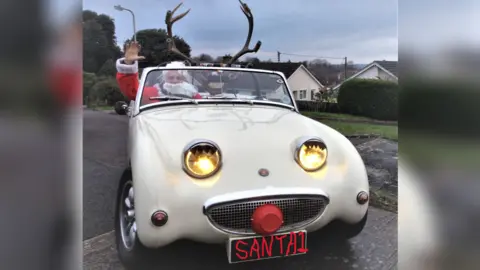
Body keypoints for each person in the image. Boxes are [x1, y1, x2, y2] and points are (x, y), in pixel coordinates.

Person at [115, 42, 201, 105]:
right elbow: (132, 91)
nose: (175, 80)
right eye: (171, 77)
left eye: (178, 78)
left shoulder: (193, 93)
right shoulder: (153, 92)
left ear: (184, 79)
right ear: (165, 78)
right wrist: (128, 63)